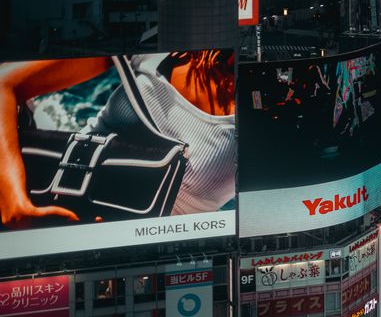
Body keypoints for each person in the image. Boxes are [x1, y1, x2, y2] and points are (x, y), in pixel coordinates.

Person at [0, 52, 236, 229]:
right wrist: (15, 204)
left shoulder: (262, 108)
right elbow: (4, 84)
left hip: (153, 261)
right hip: (53, 213)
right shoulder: (157, 43)